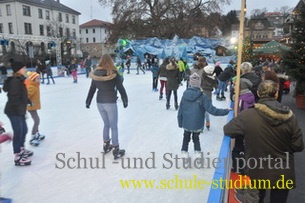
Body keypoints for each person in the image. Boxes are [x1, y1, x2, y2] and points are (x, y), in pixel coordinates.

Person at [224, 80, 304, 203]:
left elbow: (228, 130)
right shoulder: (290, 117)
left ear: (258, 93)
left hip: (257, 167)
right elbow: (298, 145)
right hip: (283, 169)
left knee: (257, 199)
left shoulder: (248, 115)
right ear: (276, 94)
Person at [178, 73, 230, 161]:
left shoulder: (185, 95)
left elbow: (180, 110)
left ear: (190, 83)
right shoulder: (203, 96)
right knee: (196, 137)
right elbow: (212, 110)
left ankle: (184, 152)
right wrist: (226, 111)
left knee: (186, 137)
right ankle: (197, 152)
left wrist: (180, 122)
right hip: (197, 123)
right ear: (199, 83)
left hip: (186, 122)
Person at [86, 54, 128, 160]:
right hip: (110, 102)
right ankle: (116, 148)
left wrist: (88, 101)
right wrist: (125, 99)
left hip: (100, 102)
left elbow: (92, 89)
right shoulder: (113, 73)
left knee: (106, 124)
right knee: (113, 126)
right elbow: (120, 87)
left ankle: (106, 145)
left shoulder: (96, 73)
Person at [3, 60, 32, 166]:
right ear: (19, 70)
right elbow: (13, 98)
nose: (26, 70)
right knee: (18, 132)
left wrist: (27, 101)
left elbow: (21, 95)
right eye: (24, 68)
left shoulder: (19, 80)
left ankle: (21, 148)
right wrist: (21, 110)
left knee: (24, 130)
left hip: (19, 110)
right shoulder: (15, 81)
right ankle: (17, 155)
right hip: (14, 111)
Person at [25, 71, 46, 146]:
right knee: (37, 120)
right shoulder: (32, 87)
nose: (39, 80)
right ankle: (33, 137)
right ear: (33, 79)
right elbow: (25, 97)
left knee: (37, 120)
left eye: (39, 78)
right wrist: (30, 103)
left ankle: (36, 134)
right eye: (37, 78)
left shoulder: (35, 85)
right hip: (31, 107)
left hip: (33, 106)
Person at [201, 65, 218, 130]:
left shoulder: (203, 76)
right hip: (208, 94)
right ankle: (207, 122)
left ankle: (201, 125)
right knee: (206, 109)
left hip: (201, 93)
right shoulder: (213, 78)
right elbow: (216, 86)